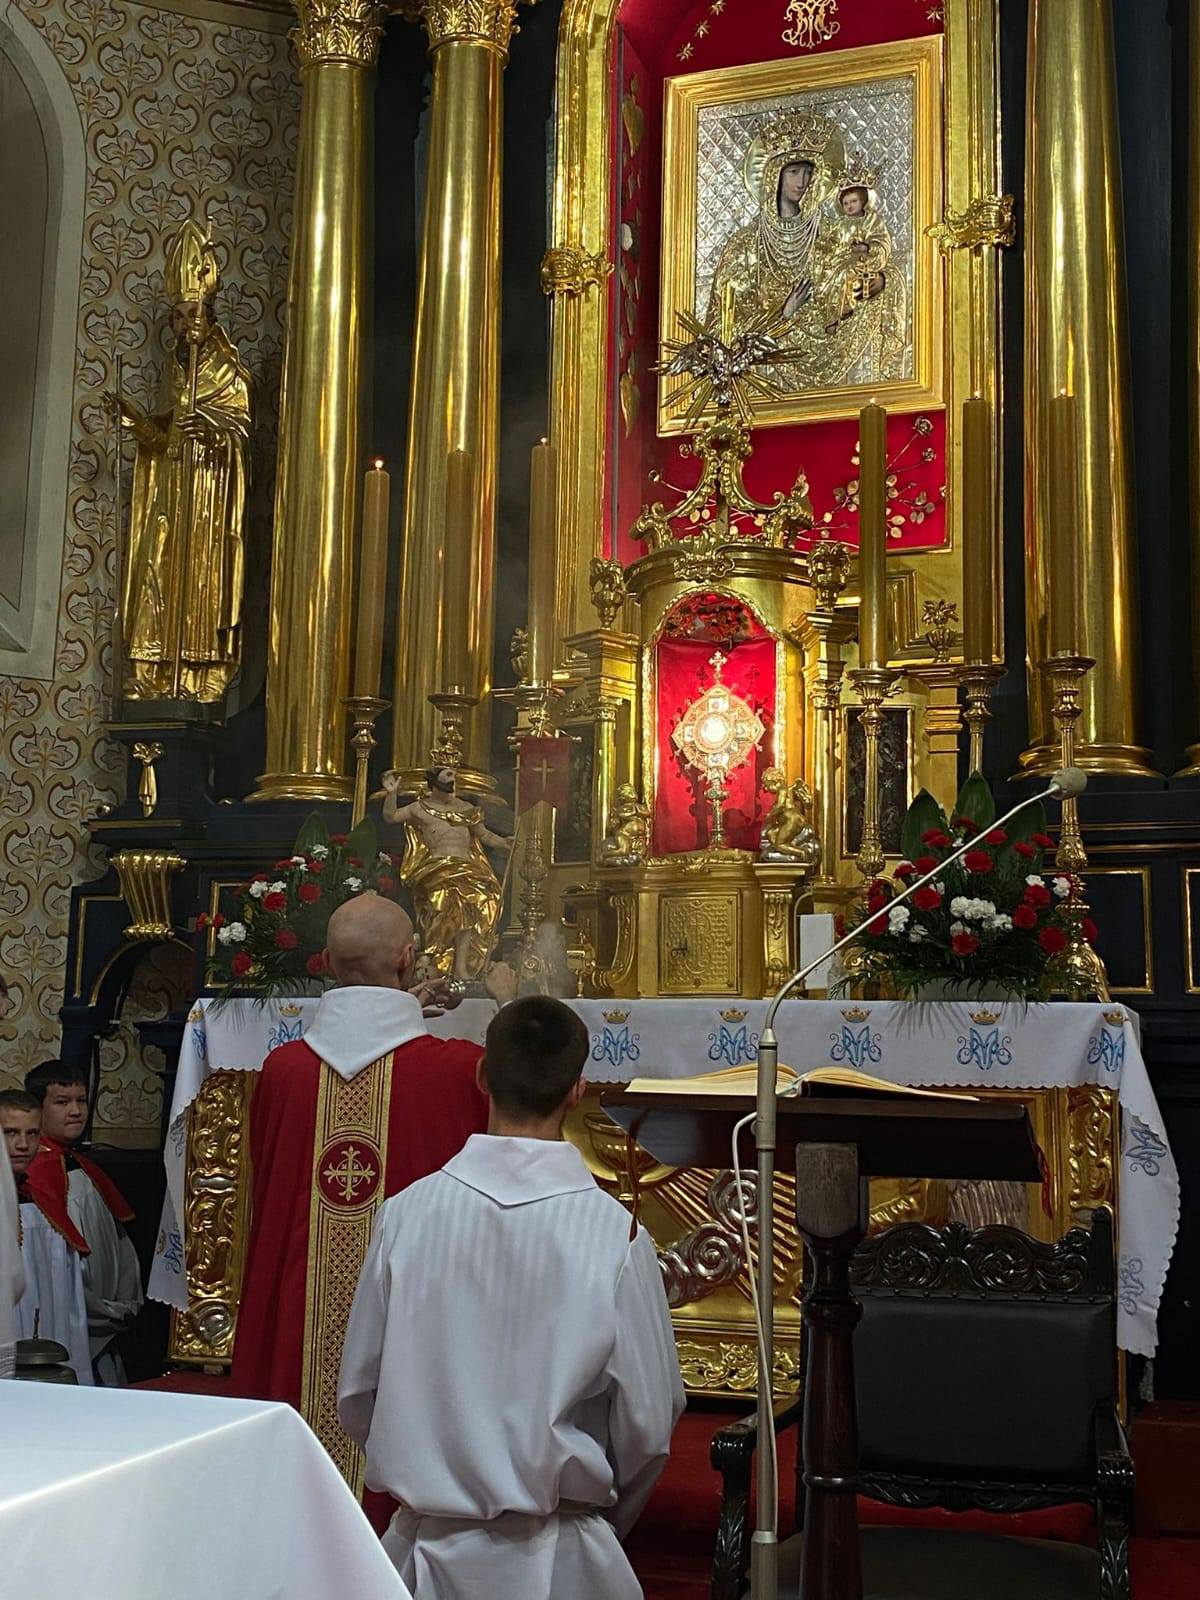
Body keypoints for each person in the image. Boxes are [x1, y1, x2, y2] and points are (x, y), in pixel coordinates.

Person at [339, 995, 685, 1600]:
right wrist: (593, 1521)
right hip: (561, 1560)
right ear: (578, 1090)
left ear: (482, 1075)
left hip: (425, 1555)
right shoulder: (616, 1236)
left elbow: (358, 1393)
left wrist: (438, 1475)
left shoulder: (406, 1216)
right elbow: (650, 1425)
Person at [231, 893, 517, 1465]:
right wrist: (510, 1004)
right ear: (407, 958)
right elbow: (529, 1099)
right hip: (415, 1339)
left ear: (327, 961)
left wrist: (396, 1013)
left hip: (297, 1334)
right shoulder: (460, 1070)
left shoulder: (282, 1073)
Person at [22, 1062, 142, 1384]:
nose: (76, 1111)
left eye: (81, 1100)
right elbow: (54, 1266)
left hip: (109, 1323)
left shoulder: (83, 1166)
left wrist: (125, 1304)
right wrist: (101, 1311)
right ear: (37, 1108)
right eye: (62, 1102)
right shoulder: (33, 1177)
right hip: (68, 1322)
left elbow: (120, 1246)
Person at [382, 765, 513, 984]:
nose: (453, 779)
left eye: (454, 776)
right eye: (448, 775)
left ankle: (462, 967)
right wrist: (391, 793)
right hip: (437, 869)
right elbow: (391, 816)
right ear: (434, 781)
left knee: (479, 903)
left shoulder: (467, 809)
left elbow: (485, 836)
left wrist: (504, 843)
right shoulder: (419, 808)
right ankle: (437, 962)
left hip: (468, 869)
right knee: (445, 906)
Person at [1, 1089, 91, 1382]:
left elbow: (68, 1292)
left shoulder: (43, 1201)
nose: (22, 1145)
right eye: (10, 1133)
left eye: (32, 1134)